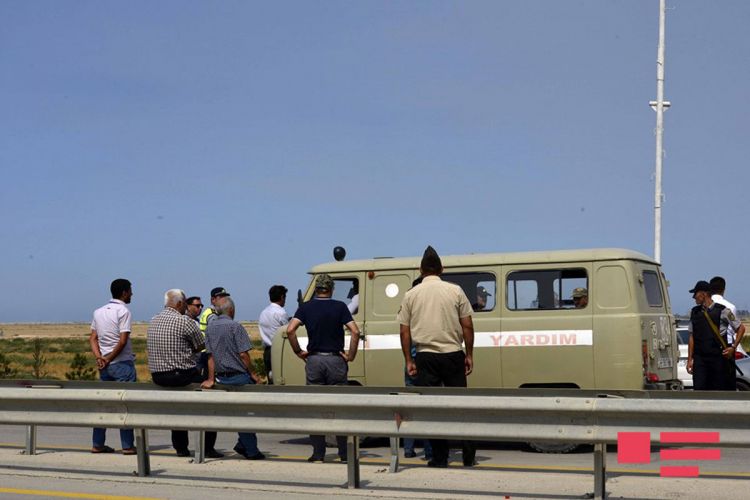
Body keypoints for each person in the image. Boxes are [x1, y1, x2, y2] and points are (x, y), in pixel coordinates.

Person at [398, 246, 476, 468]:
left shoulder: (411, 295)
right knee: (461, 407)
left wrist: (409, 360)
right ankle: (468, 455)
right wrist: (468, 354)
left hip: (426, 357)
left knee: (432, 409)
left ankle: (439, 458)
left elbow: (405, 331)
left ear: (420, 270)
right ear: (442, 269)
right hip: (453, 355)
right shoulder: (456, 291)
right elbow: (468, 325)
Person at [286, 274, 361, 463]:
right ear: (331, 289)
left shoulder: (305, 308)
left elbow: (290, 330)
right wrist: (350, 355)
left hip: (314, 361)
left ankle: (318, 453)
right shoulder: (340, 307)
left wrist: (298, 351)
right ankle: (344, 453)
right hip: (336, 360)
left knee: (315, 407)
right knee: (340, 408)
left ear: (317, 289)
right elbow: (355, 331)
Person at [147, 289, 222, 458]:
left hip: (158, 376)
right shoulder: (184, 321)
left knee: (177, 409)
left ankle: (181, 448)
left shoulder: (153, 320)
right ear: (180, 303)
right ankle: (208, 447)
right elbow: (200, 345)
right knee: (209, 403)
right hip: (181, 375)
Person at [201, 297, 265, 460]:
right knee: (248, 414)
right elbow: (243, 354)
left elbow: (210, 357)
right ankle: (250, 450)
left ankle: (243, 444)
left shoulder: (210, 328)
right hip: (239, 377)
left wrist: (210, 378)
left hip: (221, 378)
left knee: (240, 414)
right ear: (231, 310)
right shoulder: (235, 327)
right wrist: (253, 374)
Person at [89, 278, 137, 455]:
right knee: (125, 405)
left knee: (103, 405)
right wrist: (109, 358)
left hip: (104, 365)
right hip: (121, 364)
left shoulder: (98, 311)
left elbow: (92, 338)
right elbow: (122, 341)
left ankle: (97, 443)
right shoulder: (123, 311)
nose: (132, 294)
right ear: (124, 292)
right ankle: (127, 445)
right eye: (130, 291)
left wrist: (99, 358)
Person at [687, 280, 744, 391]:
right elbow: (691, 337)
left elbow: (740, 328)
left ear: (703, 294)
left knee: (718, 390)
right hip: (700, 360)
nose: (694, 297)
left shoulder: (722, 311)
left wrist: (733, 347)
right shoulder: (694, 312)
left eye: (695, 294)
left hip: (718, 359)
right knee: (699, 390)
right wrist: (690, 360)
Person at [258, 285, 289, 384]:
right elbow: (288, 330)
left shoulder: (263, 312)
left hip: (267, 351)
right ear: (282, 297)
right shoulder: (281, 312)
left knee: (271, 379)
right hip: (279, 351)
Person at [197, 287, 230, 378]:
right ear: (213, 299)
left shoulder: (209, 312)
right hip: (209, 353)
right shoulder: (213, 315)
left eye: (225, 297)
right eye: (221, 297)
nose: (224, 300)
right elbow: (216, 337)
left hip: (206, 351)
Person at [710, 276, 747, 355]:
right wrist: (734, 347)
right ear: (724, 289)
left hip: (707, 346)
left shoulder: (705, 306)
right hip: (726, 345)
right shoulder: (730, 307)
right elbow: (738, 328)